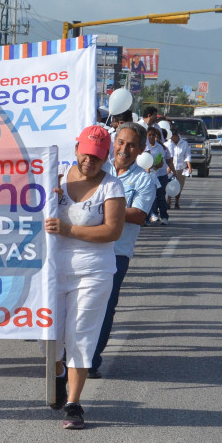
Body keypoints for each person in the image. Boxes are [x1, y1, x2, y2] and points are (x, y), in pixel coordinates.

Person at [44, 125, 126, 429]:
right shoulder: (56, 176)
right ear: (76, 150)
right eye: (85, 154)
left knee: (80, 335)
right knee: (48, 336)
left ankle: (74, 403)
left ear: (105, 157)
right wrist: (44, 196)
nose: (89, 162)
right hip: (52, 272)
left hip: (93, 272)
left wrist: (69, 230)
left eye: (96, 157)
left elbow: (112, 231)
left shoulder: (112, 186)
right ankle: (59, 374)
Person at [89, 123, 155, 379]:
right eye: (120, 142)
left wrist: (101, 206)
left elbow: (139, 215)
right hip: (85, 244)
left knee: (104, 307)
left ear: (140, 150)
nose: (124, 149)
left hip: (116, 252)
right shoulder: (96, 168)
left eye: (131, 145)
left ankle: (91, 361)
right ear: (113, 143)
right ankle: (67, 356)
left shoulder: (144, 180)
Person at [145, 126, 177, 225]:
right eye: (149, 135)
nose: (151, 137)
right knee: (149, 197)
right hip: (149, 176)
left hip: (161, 175)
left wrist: (174, 171)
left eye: (153, 135)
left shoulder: (161, 147)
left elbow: (166, 161)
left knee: (161, 196)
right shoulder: (144, 147)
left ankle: (164, 216)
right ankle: (149, 217)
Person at [164, 127, 192, 209]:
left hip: (180, 168)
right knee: (169, 185)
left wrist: (189, 167)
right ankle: (168, 201)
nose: (172, 138)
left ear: (177, 136)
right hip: (169, 169)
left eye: (174, 136)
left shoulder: (184, 143)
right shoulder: (167, 144)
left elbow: (187, 155)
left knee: (179, 186)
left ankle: (177, 202)